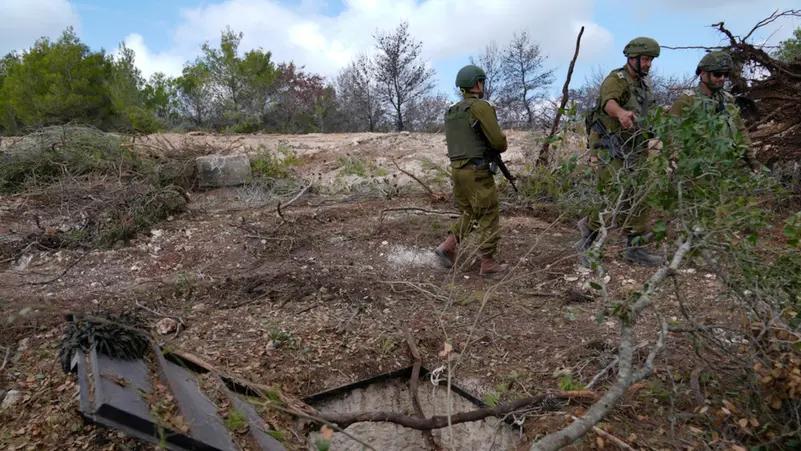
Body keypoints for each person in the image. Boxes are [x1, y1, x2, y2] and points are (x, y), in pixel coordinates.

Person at [576, 37, 666, 268]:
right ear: (631, 58)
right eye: (645, 59)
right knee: (610, 195)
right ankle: (589, 242)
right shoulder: (616, 80)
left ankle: (635, 248)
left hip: (635, 146)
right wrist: (621, 114)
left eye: (651, 60)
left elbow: (652, 113)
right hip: (611, 145)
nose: (648, 65)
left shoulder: (643, 86)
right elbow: (609, 103)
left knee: (639, 195)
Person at [434, 64, 509, 278]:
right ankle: (488, 263)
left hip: (457, 171)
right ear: (477, 83)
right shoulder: (480, 107)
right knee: (488, 212)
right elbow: (498, 141)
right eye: (482, 82)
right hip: (477, 170)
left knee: (470, 212)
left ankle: (447, 247)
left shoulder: (451, 112)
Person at [667, 51, 761, 172]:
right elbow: (672, 133)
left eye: (725, 74)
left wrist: (751, 159)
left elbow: (739, 130)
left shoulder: (728, 99)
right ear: (703, 73)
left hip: (726, 169)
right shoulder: (687, 100)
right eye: (717, 74)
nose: (722, 78)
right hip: (696, 170)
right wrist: (676, 164)